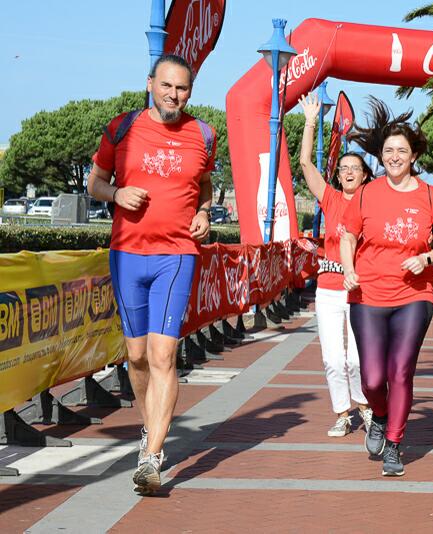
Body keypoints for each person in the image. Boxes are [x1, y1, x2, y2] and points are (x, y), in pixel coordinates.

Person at [87, 54, 216, 494]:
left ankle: (152, 455)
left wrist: (203, 210)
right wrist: (117, 192)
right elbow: (94, 182)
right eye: (166, 86)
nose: (173, 95)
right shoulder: (122, 127)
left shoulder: (203, 134)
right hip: (127, 253)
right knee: (137, 356)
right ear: (150, 83)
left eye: (181, 89)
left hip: (177, 254)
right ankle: (150, 428)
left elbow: (204, 183)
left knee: (163, 355)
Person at [340, 98, 433, 477]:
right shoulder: (366, 194)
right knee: (372, 378)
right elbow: (347, 238)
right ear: (380, 155)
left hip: (413, 296)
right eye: (388, 150)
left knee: (401, 371)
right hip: (368, 294)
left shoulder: (430, 196)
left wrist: (427, 259)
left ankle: (394, 442)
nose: (394, 156)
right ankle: (380, 413)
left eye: (401, 151)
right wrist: (347, 269)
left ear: (413, 154)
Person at [298, 93, 374, 438]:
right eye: (342, 169)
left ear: (364, 175)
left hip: (359, 290)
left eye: (353, 169)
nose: (346, 173)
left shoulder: (372, 201)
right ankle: (343, 413)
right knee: (332, 359)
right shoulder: (329, 198)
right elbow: (305, 166)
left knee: (357, 360)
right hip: (328, 289)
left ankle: (365, 406)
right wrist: (311, 122)